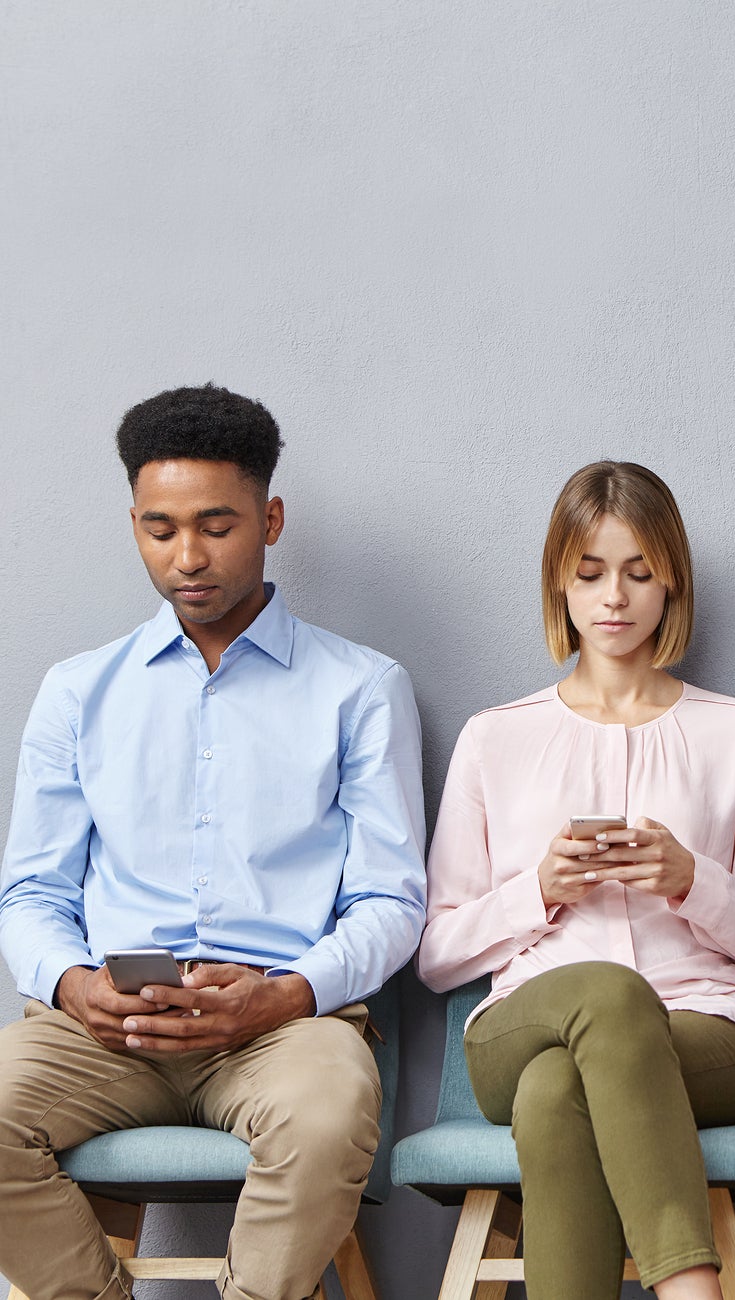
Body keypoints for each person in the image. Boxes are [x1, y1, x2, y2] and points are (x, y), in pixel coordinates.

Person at [0, 384, 427, 1300]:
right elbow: (30, 894)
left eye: (216, 525)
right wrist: (75, 987)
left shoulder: (361, 688)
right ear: (135, 524)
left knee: (327, 1117)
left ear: (270, 519)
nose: (186, 558)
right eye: (160, 529)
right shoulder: (77, 692)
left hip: (282, 1024)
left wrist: (282, 998)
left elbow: (393, 901)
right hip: (105, 1024)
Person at [417, 460, 735, 1300]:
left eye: (638, 573)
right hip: (518, 1031)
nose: (614, 598)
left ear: (672, 584)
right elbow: (438, 955)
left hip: (706, 1033)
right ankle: (691, 1288)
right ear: (560, 582)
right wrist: (539, 889)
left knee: (561, 1089)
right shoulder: (495, 738)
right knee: (604, 996)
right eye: (590, 574)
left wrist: (691, 880)